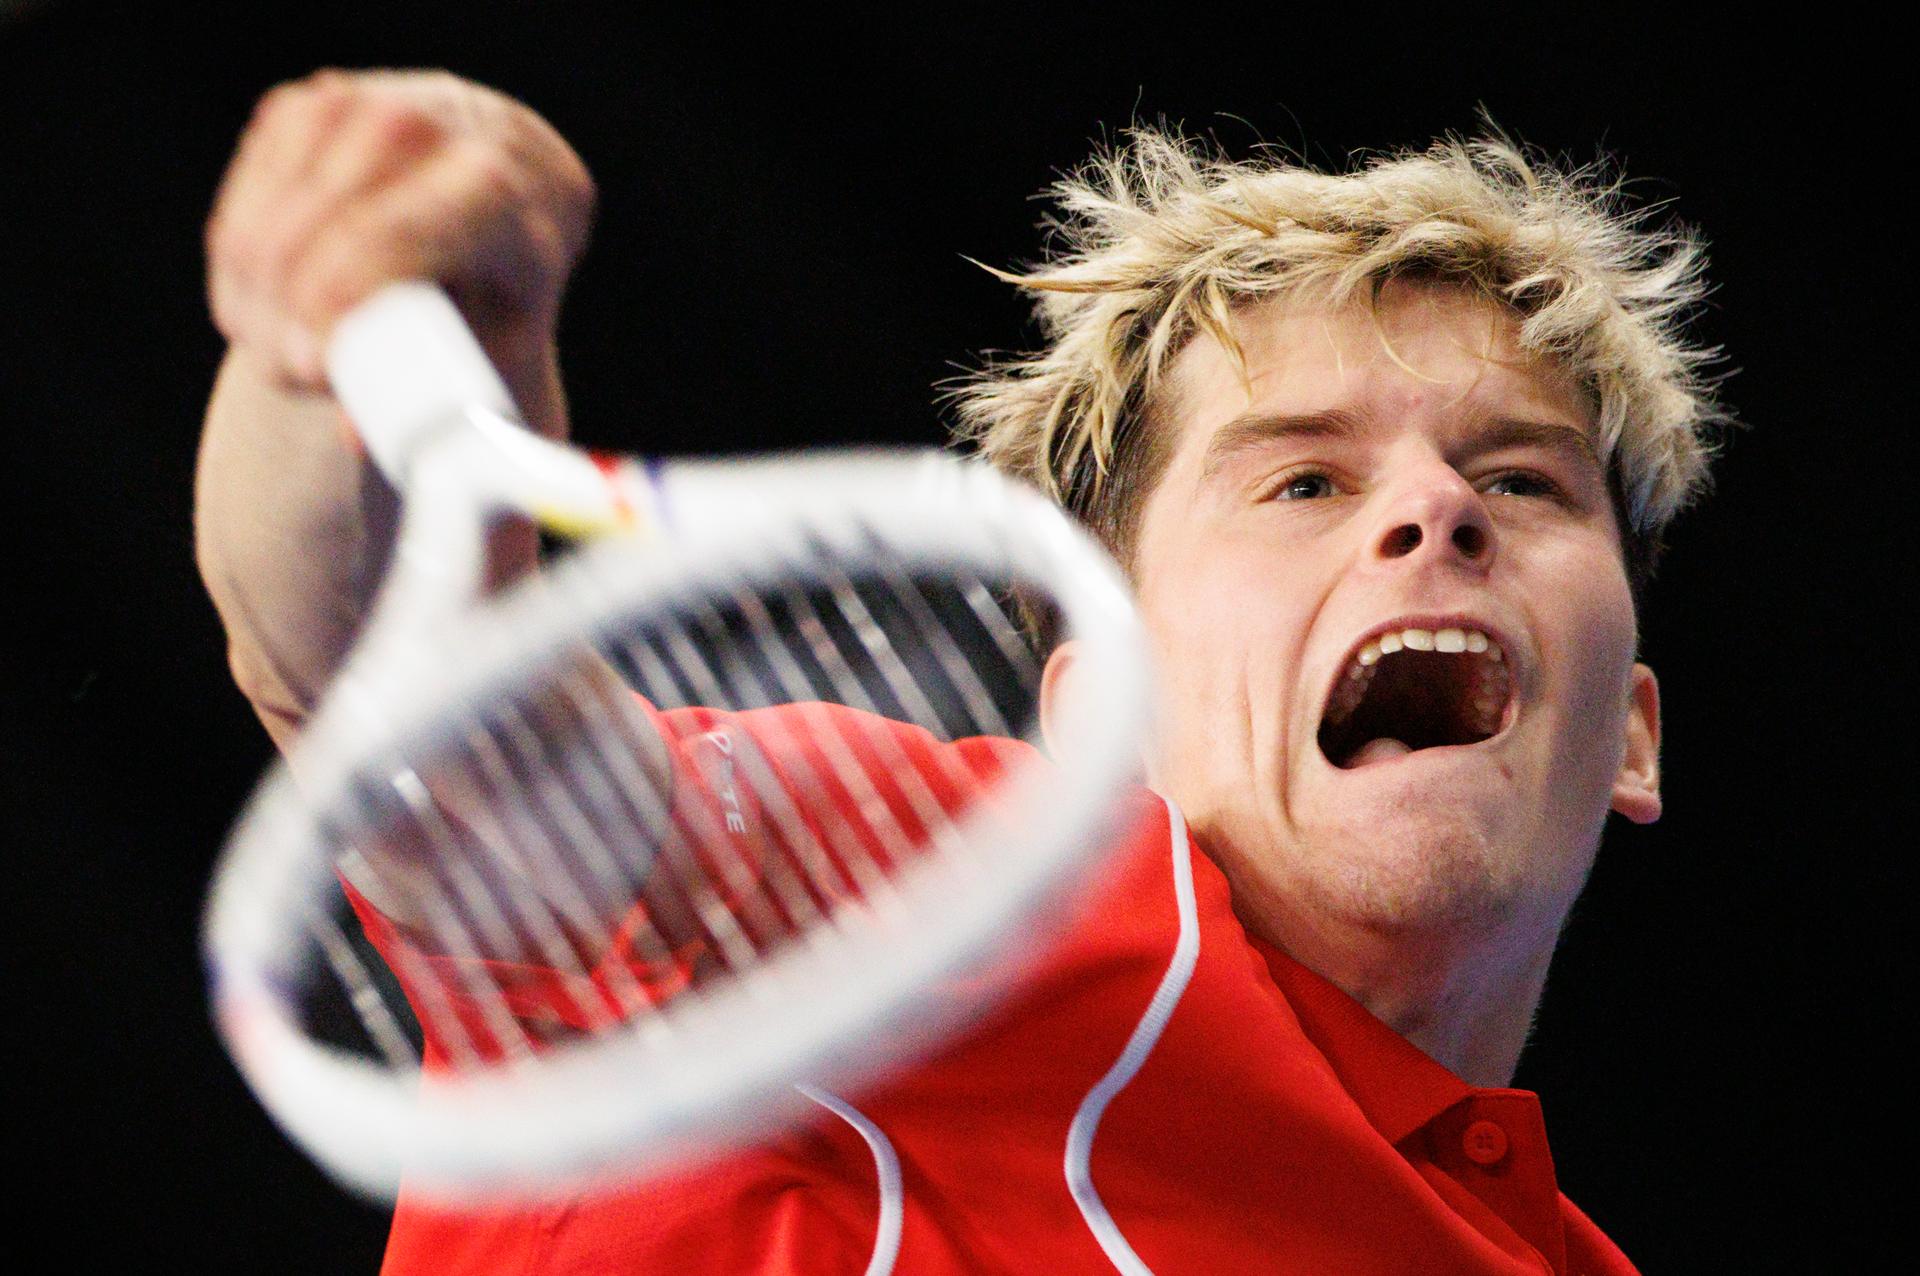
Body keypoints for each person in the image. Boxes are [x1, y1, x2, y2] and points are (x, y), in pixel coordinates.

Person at [196, 69, 1725, 1275]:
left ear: (1635, 740)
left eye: (1522, 482)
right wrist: (359, 314)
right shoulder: (938, 905)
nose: (1435, 509)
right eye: (1302, 484)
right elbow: (410, 707)